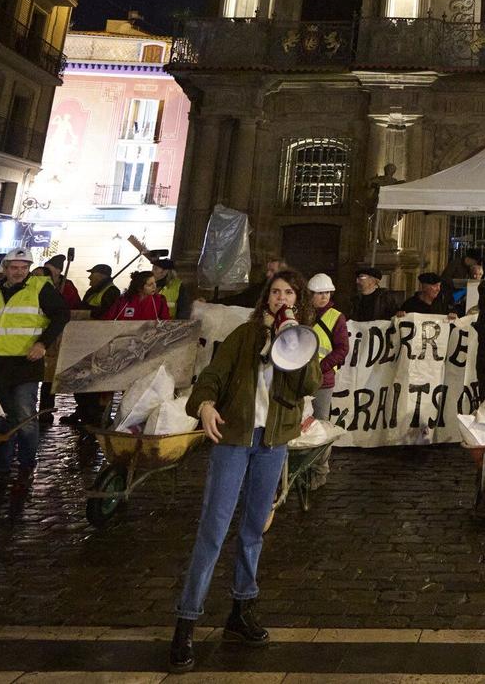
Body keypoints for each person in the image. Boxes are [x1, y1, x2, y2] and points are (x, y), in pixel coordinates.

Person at [169, 268, 320, 672]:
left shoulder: (302, 338)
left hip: (272, 444)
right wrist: (204, 405)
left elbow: (310, 385)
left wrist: (294, 339)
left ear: (298, 300)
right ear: (266, 298)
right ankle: (186, 622)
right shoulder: (244, 335)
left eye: (289, 293)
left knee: (254, 529)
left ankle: (241, 609)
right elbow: (212, 377)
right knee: (213, 529)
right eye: (276, 292)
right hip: (235, 440)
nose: (281, 298)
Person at [0, 247, 69, 482]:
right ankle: (2, 467)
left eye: (23, 267)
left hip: (25, 363)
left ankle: (27, 464)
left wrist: (43, 343)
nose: (19, 272)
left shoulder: (40, 287)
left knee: (25, 415)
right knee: (1, 417)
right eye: (14, 267)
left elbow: (61, 314)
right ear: (5, 268)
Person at [304, 273, 348, 487]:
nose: (324, 297)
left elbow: (342, 349)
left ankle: (319, 472)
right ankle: (304, 469)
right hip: (301, 380)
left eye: (327, 293)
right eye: (319, 293)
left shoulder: (335, 317)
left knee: (320, 427)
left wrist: (319, 369)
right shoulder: (302, 315)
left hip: (322, 381)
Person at [105, 272, 170, 321]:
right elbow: (107, 320)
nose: (154, 286)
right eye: (150, 285)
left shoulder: (159, 300)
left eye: (154, 282)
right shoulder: (123, 300)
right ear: (139, 288)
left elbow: (166, 322)